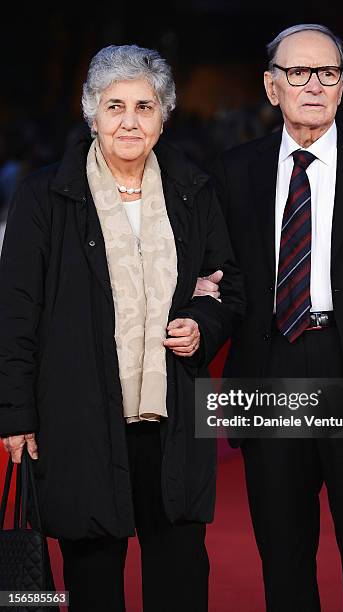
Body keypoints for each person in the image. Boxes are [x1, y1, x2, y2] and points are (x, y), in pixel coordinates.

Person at [195, 24, 343, 612]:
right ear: (271, 86)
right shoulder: (236, 170)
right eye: (298, 72)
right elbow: (222, 276)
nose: (313, 85)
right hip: (268, 368)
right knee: (282, 560)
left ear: (342, 86)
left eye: (327, 73)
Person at [0, 44, 245, 612]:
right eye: (115, 106)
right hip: (80, 417)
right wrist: (15, 415)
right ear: (91, 113)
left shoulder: (194, 190)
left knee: (181, 577)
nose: (130, 121)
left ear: (165, 115)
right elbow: (16, 313)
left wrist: (203, 324)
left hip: (173, 418)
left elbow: (229, 287)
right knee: (93, 582)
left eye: (144, 105)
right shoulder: (45, 196)